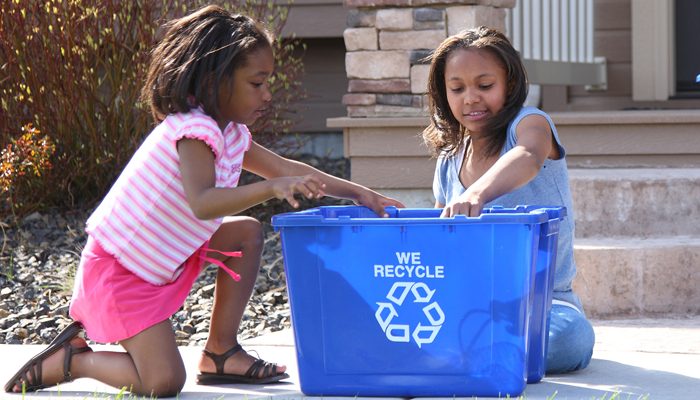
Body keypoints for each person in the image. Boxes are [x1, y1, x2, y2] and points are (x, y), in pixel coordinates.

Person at [4, 5, 403, 397]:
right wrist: (269, 189)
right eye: (257, 83)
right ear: (216, 80)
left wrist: (359, 193)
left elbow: (284, 167)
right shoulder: (194, 130)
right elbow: (203, 203)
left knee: (246, 234)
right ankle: (73, 360)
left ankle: (220, 352)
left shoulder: (230, 132)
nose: (266, 95)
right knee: (162, 382)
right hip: (121, 270)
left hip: (159, 255)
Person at [422, 26, 594, 374]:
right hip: (472, 304)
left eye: (485, 86)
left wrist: (477, 192)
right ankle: (481, 348)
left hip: (545, 305)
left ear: (510, 85)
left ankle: (470, 351)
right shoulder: (449, 159)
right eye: (457, 88)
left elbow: (528, 156)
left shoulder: (530, 124)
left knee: (569, 339)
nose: (470, 97)